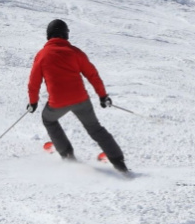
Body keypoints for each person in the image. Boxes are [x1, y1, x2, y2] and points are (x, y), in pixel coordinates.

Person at [27, 20, 127, 172]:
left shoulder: (42, 55)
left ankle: (67, 156)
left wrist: (33, 102)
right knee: (95, 128)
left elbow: (34, 83)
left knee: (48, 120)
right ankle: (119, 163)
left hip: (57, 103)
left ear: (48, 35)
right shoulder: (75, 52)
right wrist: (102, 96)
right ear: (66, 34)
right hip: (81, 100)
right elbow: (92, 75)